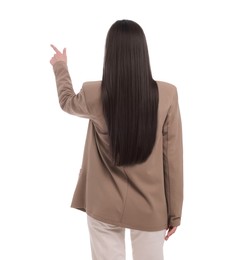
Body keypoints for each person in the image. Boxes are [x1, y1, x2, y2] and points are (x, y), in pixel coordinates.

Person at [50, 19, 183, 260]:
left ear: (109, 53)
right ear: (143, 52)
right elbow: (172, 158)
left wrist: (61, 66)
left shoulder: (93, 94)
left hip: (103, 205)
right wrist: (174, 213)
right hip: (150, 206)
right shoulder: (167, 94)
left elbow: (66, 102)